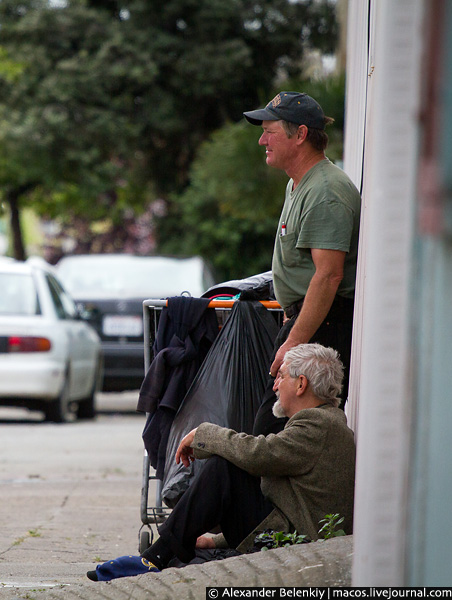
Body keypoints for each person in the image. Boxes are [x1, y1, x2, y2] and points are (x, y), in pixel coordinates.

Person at [87, 343, 356, 582]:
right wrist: (214, 540)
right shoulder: (325, 422)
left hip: (300, 545)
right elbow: (287, 500)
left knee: (224, 469)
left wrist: (204, 433)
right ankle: (162, 553)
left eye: (281, 377)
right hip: (295, 533)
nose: (274, 386)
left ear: (301, 384)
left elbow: (259, 454)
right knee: (229, 469)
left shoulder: (318, 424)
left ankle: (154, 558)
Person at [243, 91, 361, 405]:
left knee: (272, 432)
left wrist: (293, 341)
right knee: (277, 430)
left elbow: (329, 276)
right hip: (307, 323)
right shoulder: (299, 182)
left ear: (301, 135)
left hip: (324, 327)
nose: (262, 141)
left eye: (269, 132)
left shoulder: (325, 190)